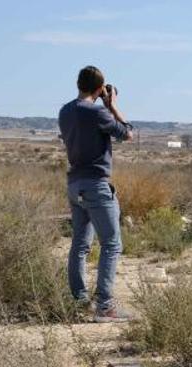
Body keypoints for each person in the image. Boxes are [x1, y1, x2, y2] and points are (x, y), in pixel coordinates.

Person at [59, 65, 133, 322]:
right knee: (112, 244)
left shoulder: (65, 110)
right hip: (96, 185)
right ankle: (105, 306)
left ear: (78, 83)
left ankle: (80, 303)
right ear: (100, 88)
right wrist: (112, 105)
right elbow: (128, 133)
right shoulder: (97, 111)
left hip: (74, 184)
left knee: (80, 245)